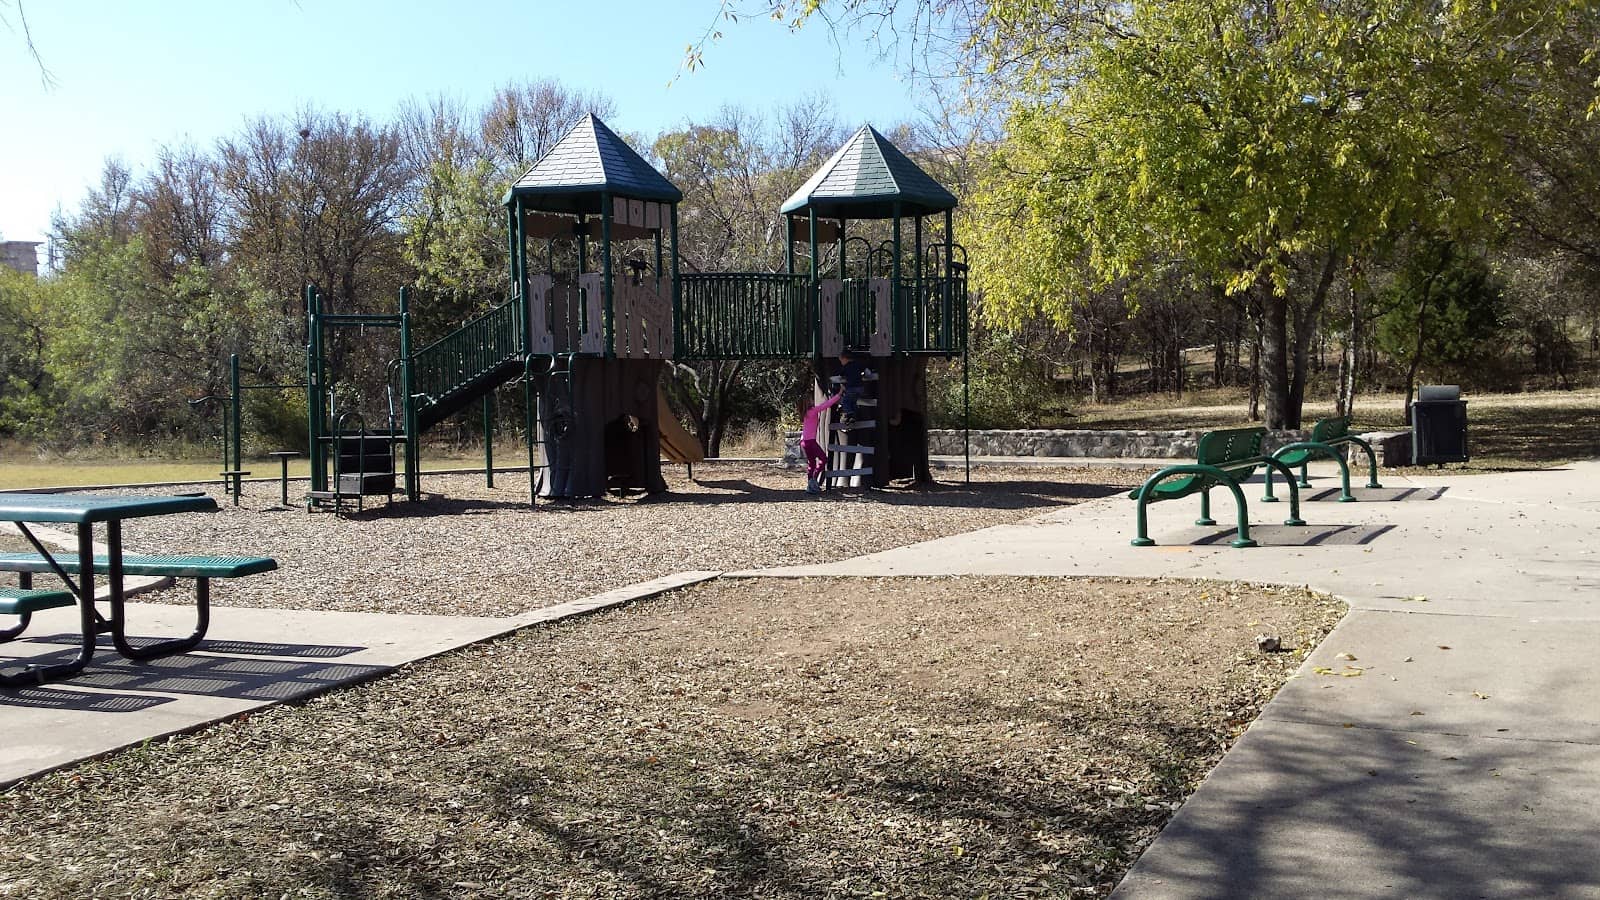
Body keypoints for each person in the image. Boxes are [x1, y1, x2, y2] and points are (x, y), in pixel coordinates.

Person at [800, 388, 843, 494]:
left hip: (804, 441)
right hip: (810, 441)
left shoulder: (805, 413)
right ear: (808, 402)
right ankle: (813, 480)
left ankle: (811, 483)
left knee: (812, 463)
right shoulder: (813, 410)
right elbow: (826, 405)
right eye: (811, 399)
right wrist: (839, 394)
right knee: (823, 459)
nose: (813, 400)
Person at [837, 350, 866, 424]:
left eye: (841, 361)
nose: (841, 363)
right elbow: (866, 370)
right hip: (860, 388)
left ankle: (849, 415)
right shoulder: (858, 364)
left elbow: (840, 375)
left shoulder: (846, 367)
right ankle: (853, 417)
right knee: (853, 402)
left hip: (851, 388)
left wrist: (841, 383)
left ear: (845, 359)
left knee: (846, 401)